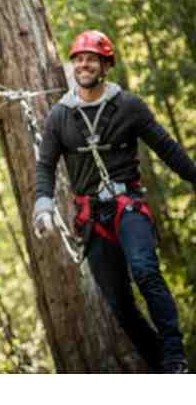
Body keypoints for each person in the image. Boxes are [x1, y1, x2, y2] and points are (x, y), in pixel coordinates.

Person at [33, 30, 195, 374]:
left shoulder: (129, 106)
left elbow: (167, 148)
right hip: (92, 218)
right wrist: (43, 204)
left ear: (105, 64)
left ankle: (175, 357)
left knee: (146, 271)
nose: (84, 64)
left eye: (91, 58)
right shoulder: (60, 116)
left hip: (128, 206)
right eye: (78, 59)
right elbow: (45, 165)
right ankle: (161, 368)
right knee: (120, 305)